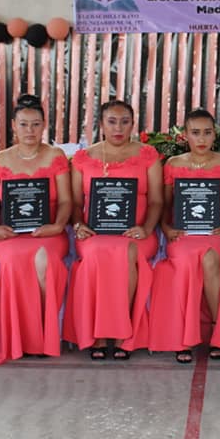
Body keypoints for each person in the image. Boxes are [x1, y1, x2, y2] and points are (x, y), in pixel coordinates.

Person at [63, 100, 163, 360]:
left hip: (137, 234)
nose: (118, 127)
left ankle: (122, 334)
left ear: (133, 123)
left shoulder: (148, 155)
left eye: (125, 121)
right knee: (96, 252)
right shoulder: (84, 158)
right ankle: (97, 335)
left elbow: (156, 201)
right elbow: (75, 202)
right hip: (94, 233)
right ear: (101, 125)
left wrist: (146, 227)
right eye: (112, 121)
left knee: (126, 250)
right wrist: (78, 224)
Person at [0, 94, 71, 365]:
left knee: (44, 262)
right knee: (15, 261)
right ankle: (24, 339)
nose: (29, 131)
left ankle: (41, 335)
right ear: (13, 125)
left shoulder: (56, 156)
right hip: (10, 235)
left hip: (49, 232)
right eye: (23, 124)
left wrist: (56, 225)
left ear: (44, 126)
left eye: (35, 124)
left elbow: (66, 201)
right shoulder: (0, 159)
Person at [149, 109, 220, 363]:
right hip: (183, 234)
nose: (202, 139)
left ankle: (216, 333)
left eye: (207, 133)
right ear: (185, 135)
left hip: (216, 233)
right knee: (188, 260)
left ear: (215, 134)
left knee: (210, 259)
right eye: (195, 133)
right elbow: (166, 205)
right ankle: (185, 337)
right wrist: (167, 229)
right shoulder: (173, 165)